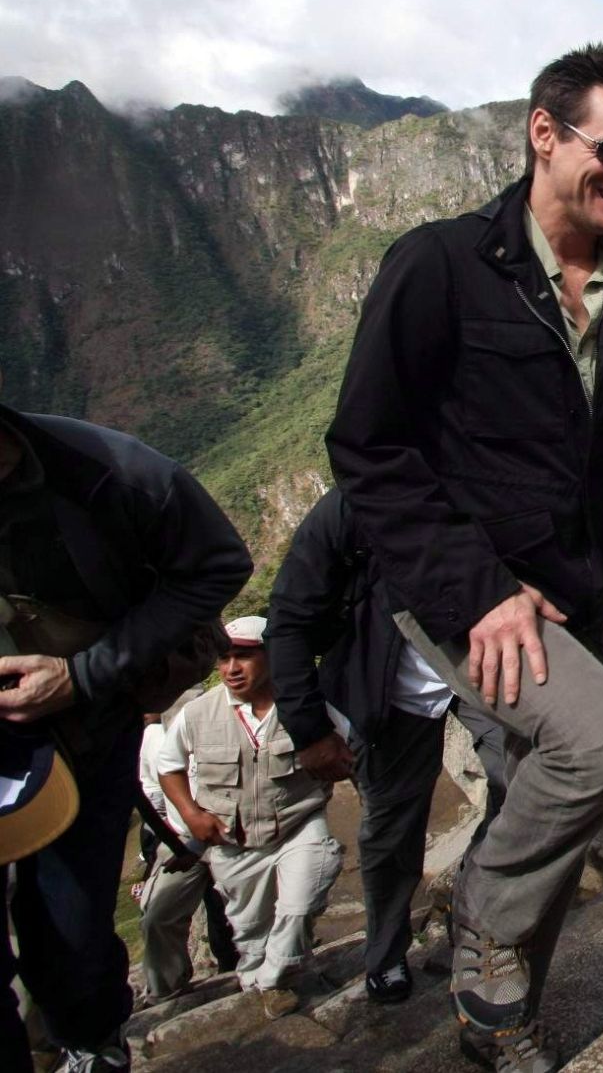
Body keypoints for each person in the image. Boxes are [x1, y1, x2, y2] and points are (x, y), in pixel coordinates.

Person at [326, 42, 603, 1072]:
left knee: (535, 811)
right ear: (544, 134)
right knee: (601, 738)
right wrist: (480, 593)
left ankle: (500, 1016)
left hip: (576, 593)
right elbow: (366, 449)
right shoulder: (439, 266)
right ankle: (483, 918)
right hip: (461, 591)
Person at [0, 397, 251, 1072]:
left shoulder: (106, 473)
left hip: (84, 737)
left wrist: (83, 675)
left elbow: (219, 563)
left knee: (73, 925)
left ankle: (94, 1045)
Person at [266, 487, 509, 1006]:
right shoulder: (351, 506)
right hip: (389, 689)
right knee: (393, 828)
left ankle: (479, 911)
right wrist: (309, 729)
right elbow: (288, 618)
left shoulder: (490, 481)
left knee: (524, 782)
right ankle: (386, 954)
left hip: (480, 673)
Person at [156, 617, 345, 1019]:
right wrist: (192, 816)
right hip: (233, 841)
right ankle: (263, 977)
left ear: (273, 656)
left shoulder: (309, 704)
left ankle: (276, 979)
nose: (231, 668)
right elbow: (168, 765)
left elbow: (348, 751)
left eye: (244, 656)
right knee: (251, 930)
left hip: (299, 826)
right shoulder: (197, 714)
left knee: (301, 902)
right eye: (224, 658)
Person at [136, 708, 239, 1004]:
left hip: (228, 832)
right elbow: (153, 794)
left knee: (244, 909)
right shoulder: (151, 740)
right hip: (180, 838)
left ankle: (270, 970)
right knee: (157, 914)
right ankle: (167, 991)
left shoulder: (223, 722)